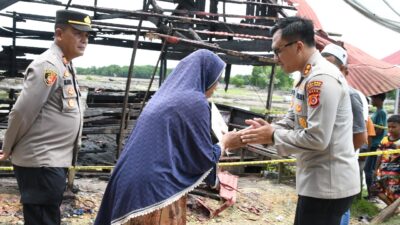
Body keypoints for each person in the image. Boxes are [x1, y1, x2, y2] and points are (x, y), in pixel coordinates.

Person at [239, 16, 360, 225]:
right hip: (317, 182)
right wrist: (268, 129)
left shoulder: (321, 78)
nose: (276, 57)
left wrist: (273, 135)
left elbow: (317, 138)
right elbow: (293, 120)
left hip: (327, 186)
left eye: (278, 50)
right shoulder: (305, 77)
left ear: (298, 46)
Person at [94, 49, 228, 225]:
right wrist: (225, 143)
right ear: (206, 75)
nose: (216, 85)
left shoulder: (163, 97)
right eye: (216, 79)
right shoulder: (195, 101)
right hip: (154, 190)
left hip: (128, 181)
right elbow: (203, 158)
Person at [0, 9, 92, 225]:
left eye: (87, 35)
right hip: (41, 160)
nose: (84, 40)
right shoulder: (48, 66)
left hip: (51, 159)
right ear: (59, 34)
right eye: (78, 33)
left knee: (47, 218)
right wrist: (8, 146)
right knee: (43, 220)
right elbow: (22, 111)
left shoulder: (64, 64)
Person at [321, 43, 367, 225]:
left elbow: (360, 137)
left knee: (338, 213)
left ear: (343, 70)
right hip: (325, 168)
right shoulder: (325, 90)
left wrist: (334, 157)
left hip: (339, 168)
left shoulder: (350, 94)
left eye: (329, 64)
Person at [364, 92, 387, 199]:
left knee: (369, 170)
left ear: (379, 99)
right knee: (368, 169)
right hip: (372, 143)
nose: (372, 101)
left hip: (375, 145)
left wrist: (370, 134)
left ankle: (372, 194)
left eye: (373, 98)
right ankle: (371, 193)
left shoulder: (381, 112)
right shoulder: (377, 112)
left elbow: (379, 129)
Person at [373, 114, 400, 205]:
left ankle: (394, 209)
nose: (391, 129)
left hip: (396, 174)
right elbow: (379, 155)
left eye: (394, 127)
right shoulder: (384, 140)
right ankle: (392, 208)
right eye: (389, 127)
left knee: (395, 194)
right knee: (375, 188)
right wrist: (376, 169)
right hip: (383, 171)